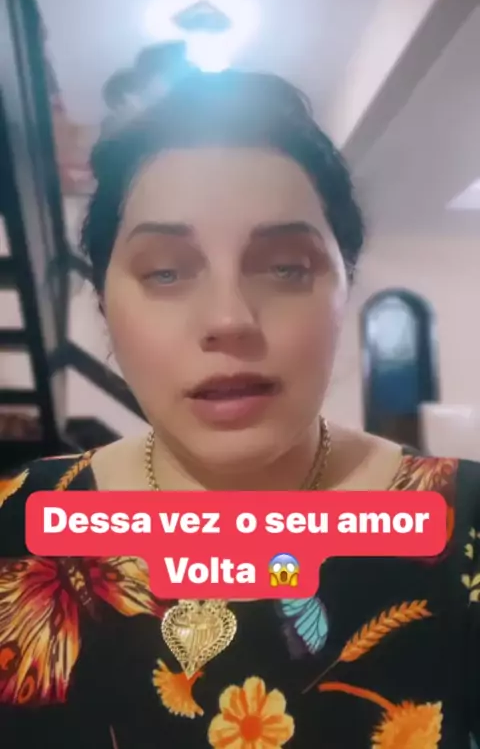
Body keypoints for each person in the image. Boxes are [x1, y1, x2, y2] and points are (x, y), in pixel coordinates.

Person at [0, 52, 479, 749]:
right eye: (166, 273)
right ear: (103, 303)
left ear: (345, 287)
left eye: (286, 268)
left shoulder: (467, 523)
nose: (228, 319)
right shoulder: (16, 523)